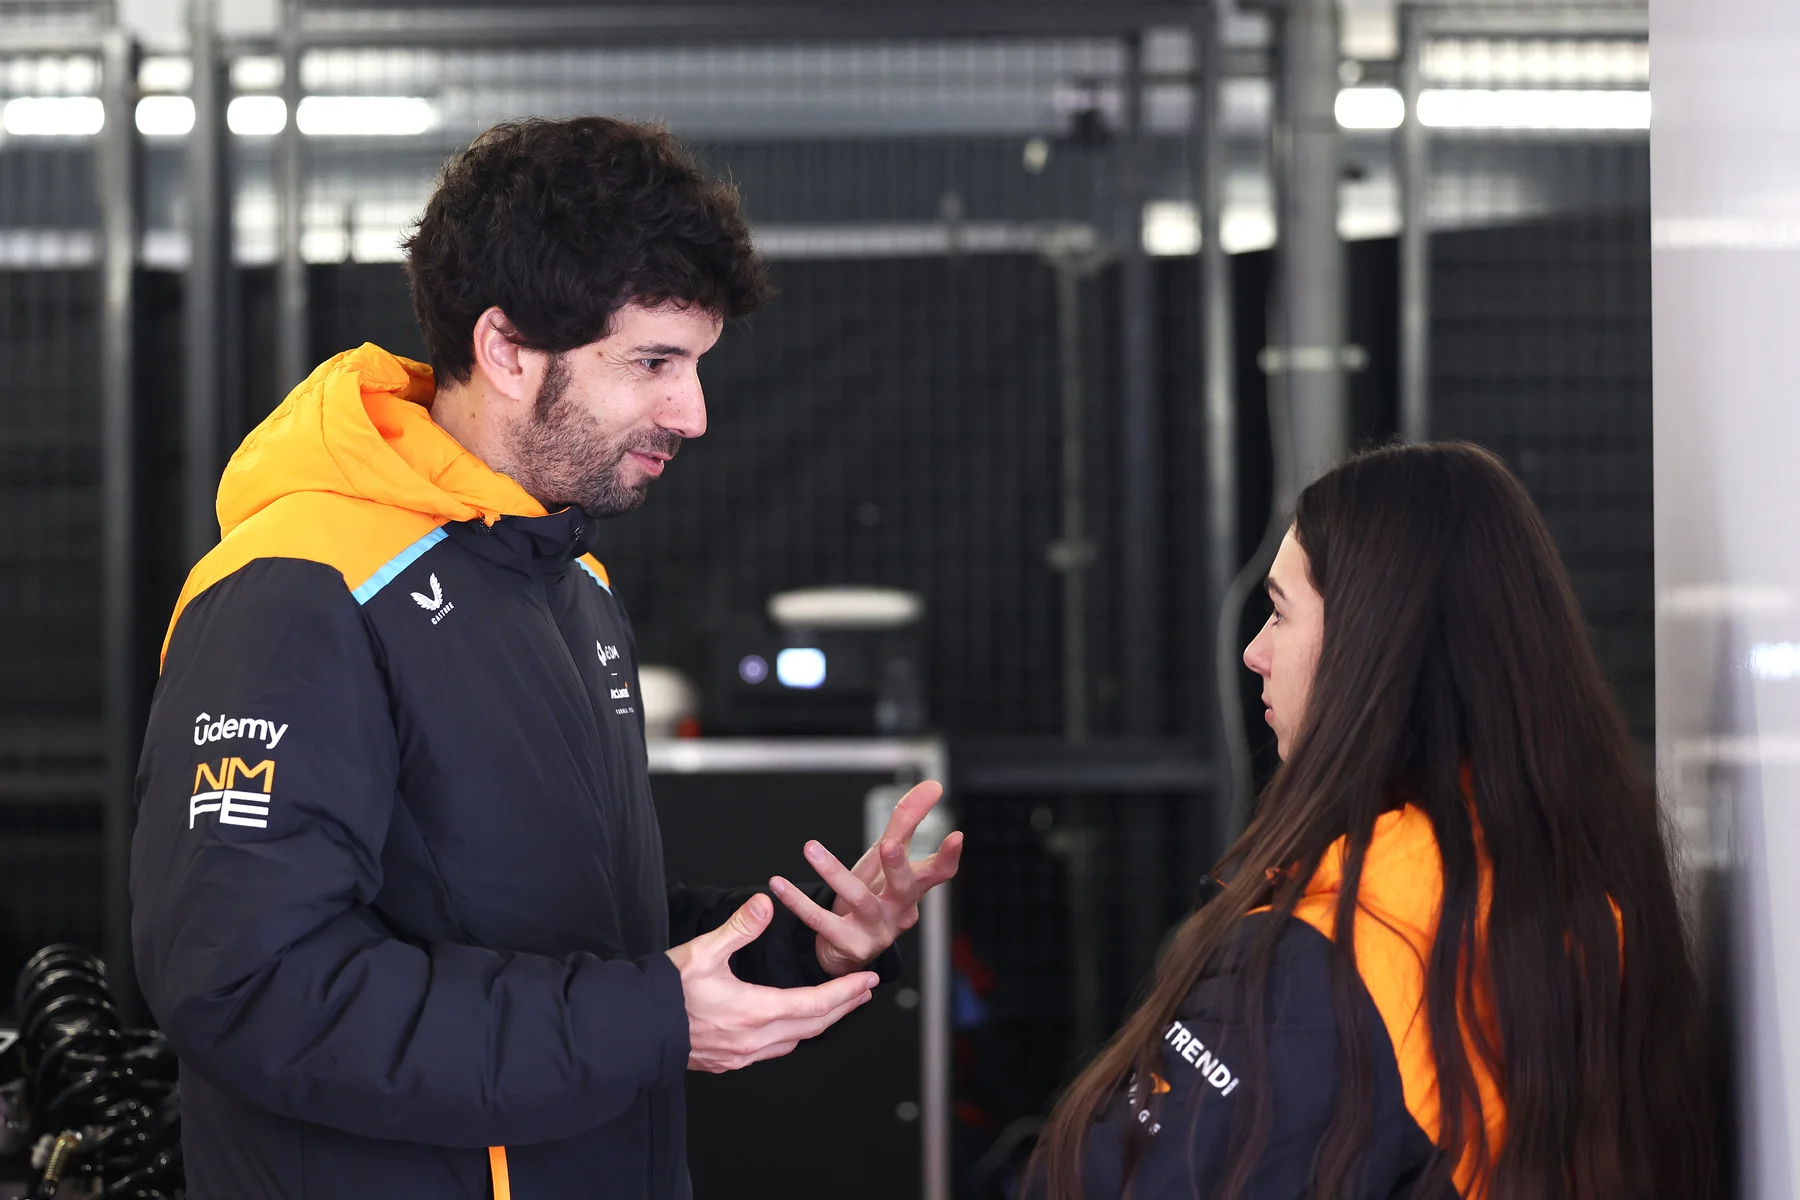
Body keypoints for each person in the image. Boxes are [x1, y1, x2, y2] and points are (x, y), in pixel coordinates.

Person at [130, 116, 962, 1200]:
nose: (694, 413)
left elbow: (567, 933)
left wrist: (803, 943)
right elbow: (253, 990)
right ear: (508, 349)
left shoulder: (569, 584)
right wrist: (652, 1020)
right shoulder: (299, 586)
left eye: (697, 364)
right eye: (655, 362)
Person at [1030, 443, 1710, 1199]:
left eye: (1281, 613)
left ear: (1375, 649)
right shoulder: (1584, 882)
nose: (1254, 652)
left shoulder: (1326, 956)